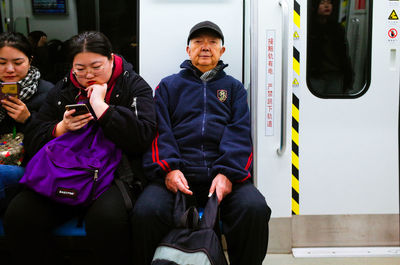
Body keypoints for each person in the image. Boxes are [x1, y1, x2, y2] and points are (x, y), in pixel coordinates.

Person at [3, 31, 156, 265]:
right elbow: (34, 139)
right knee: (20, 216)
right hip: (65, 171)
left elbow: (142, 138)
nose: (88, 75)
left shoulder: (133, 85)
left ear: (111, 58)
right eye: (80, 68)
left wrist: (102, 108)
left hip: (114, 174)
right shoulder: (64, 89)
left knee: (106, 221)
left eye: (96, 66)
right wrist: (61, 128)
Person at [132, 21, 271, 265]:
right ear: (188, 50)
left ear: (222, 50)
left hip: (223, 176)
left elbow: (239, 133)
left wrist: (228, 173)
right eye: (198, 42)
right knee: (145, 212)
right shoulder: (168, 86)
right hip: (177, 175)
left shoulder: (234, 89)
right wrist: (170, 169)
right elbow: (158, 132)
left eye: (212, 43)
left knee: (254, 209)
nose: (205, 47)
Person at [0, 32, 52, 213]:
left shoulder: (47, 92)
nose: (9, 69)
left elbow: (54, 143)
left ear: (30, 60)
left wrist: (28, 119)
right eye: (1, 63)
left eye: (17, 62)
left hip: (30, 166)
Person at [307, 0, 354, 95]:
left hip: (335, 75)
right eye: (322, 3)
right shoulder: (309, 28)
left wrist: (348, 75)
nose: (327, 6)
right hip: (316, 76)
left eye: (329, 3)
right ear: (315, 6)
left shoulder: (337, 28)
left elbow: (344, 55)